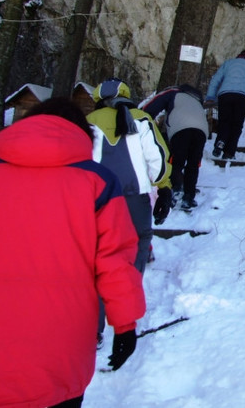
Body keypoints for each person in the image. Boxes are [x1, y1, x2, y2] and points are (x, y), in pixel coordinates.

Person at [0, 97, 146, 408]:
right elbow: (115, 261)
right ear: (80, 134)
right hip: (61, 347)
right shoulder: (98, 181)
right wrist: (125, 325)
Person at [87, 78, 172, 343]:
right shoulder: (142, 119)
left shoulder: (88, 121)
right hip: (135, 199)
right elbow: (157, 160)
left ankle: (93, 329)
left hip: (97, 202)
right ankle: (124, 315)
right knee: (134, 252)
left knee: (96, 259)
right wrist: (164, 186)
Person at [143, 84, 209, 210]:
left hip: (180, 129)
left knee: (176, 162)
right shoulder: (196, 99)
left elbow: (150, 107)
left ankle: (175, 190)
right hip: (201, 130)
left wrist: (142, 119)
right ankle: (189, 197)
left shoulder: (173, 92)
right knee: (193, 164)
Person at [205, 49, 245, 159]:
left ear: (239, 56)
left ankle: (220, 142)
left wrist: (210, 96)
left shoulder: (228, 63)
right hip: (242, 97)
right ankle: (229, 153)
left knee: (224, 121)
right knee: (236, 125)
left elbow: (215, 79)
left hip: (225, 95)